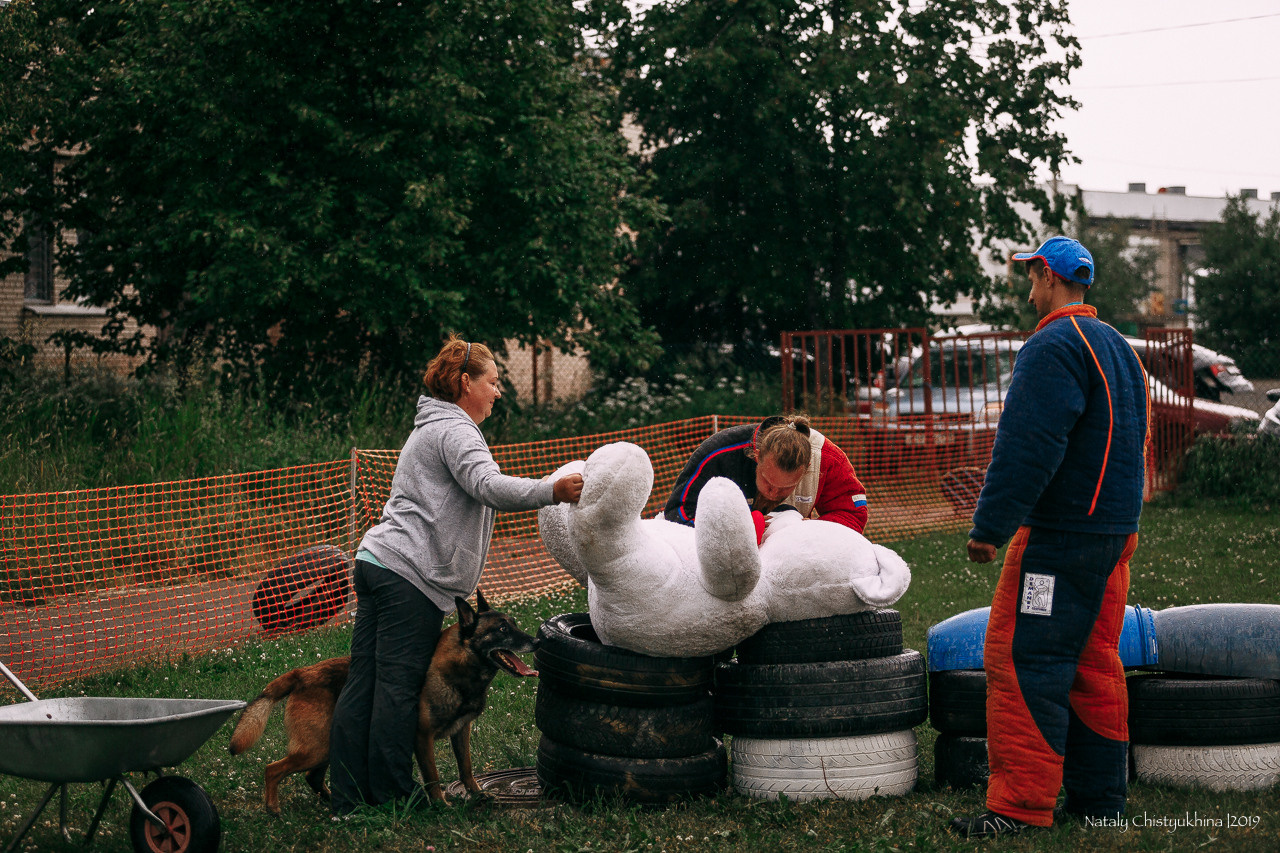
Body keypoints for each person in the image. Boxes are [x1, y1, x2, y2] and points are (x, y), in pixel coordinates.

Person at [328, 335, 583, 815]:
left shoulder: (431, 427)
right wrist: (553, 490)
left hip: (377, 562)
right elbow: (487, 486)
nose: (498, 391)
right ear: (465, 383)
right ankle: (390, 798)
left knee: (365, 681)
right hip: (408, 577)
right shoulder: (458, 431)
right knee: (398, 688)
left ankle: (348, 796)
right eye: (493, 381)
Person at [950, 237, 1149, 838]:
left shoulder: (1051, 347)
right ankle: (1100, 801)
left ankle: (1018, 809)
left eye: (1030, 276)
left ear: (1046, 275)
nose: (1027, 289)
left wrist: (990, 528)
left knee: (1023, 660)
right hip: (1114, 538)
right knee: (1093, 662)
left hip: (1060, 539)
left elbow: (1029, 448)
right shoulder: (1118, 347)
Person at [662, 414, 869, 535]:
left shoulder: (826, 458)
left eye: (786, 488)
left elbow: (854, 515)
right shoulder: (720, 453)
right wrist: (737, 530)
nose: (773, 494)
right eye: (768, 482)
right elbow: (677, 512)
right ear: (757, 456)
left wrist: (810, 531)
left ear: (805, 469)